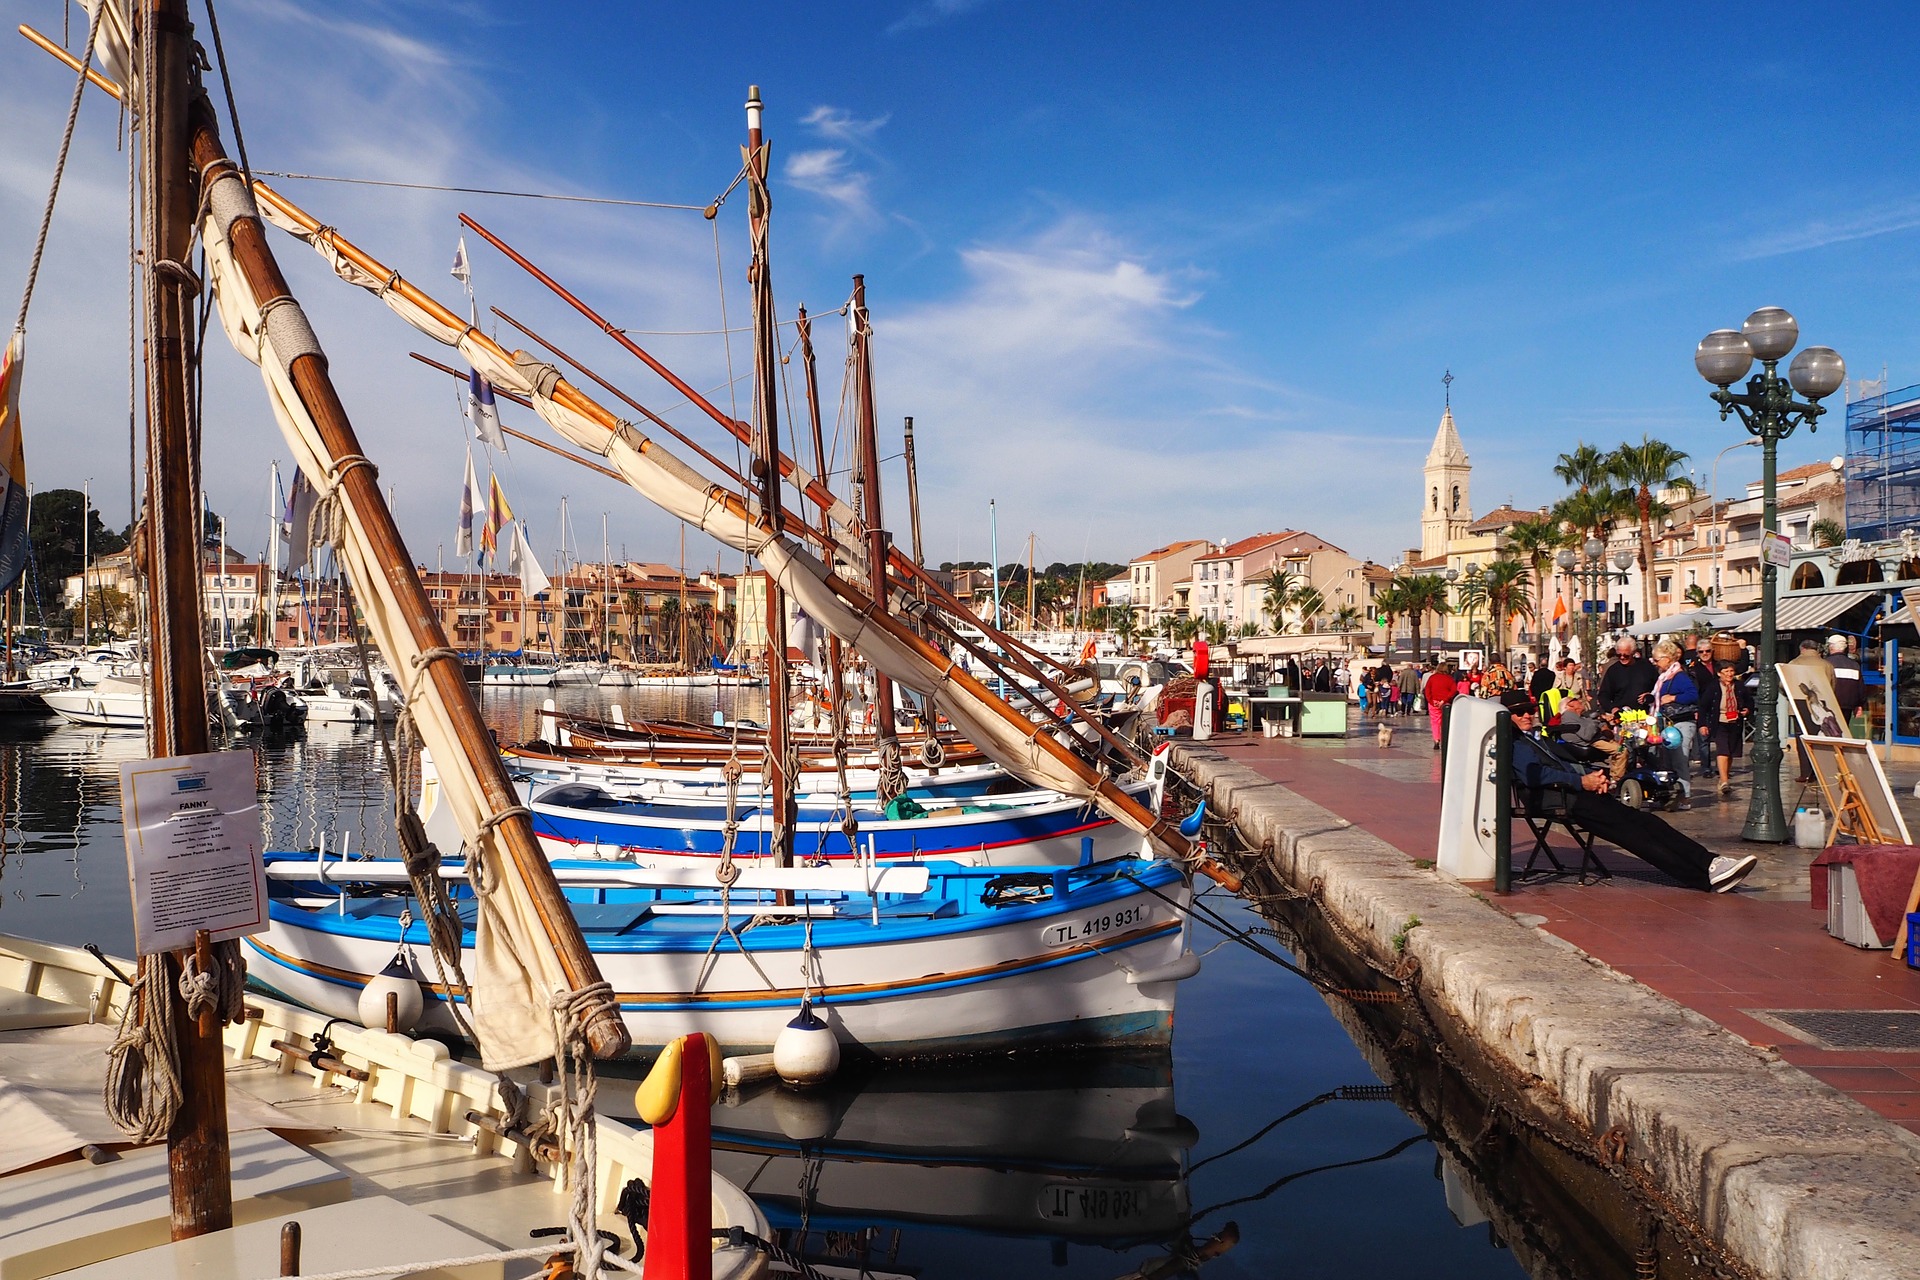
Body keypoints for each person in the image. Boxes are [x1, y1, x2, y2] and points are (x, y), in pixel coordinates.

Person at [1500, 690, 1757, 892]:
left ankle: (1708, 867)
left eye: (1529, 710)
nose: (1526, 715)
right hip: (1561, 798)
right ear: (1506, 717)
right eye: (1519, 712)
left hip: (1572, 793)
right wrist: (1582, 782)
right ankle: (1705, 871)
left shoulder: (1532, 737)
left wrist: (1594, 778)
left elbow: (1562, 764)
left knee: (1643, 822)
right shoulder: (1516, 741)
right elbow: (1533, 775)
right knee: (1634, 833)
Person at [1699, 660, 1752, 796]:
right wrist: (1703, 724)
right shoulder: (1713, 687)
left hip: (1735, 721)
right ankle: (1724, 781)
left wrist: (1747, 710)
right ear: (1719, 674)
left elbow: (1749, 702)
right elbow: (1703, 707)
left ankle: (1725, 776)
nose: (1730, 674)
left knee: (1731, 752)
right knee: (1723, 750)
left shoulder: (1739, 686)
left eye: (1731, 671)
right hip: (1719, 722)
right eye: (1726, 671)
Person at [1649, 639, 1700, 776]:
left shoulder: (1679, 675)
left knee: (1680, 761)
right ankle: (1676, 790)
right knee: (1669, 761)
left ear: (1667, 659)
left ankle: (1686, 794)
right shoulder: (1664, 677)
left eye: (1657, 659)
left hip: (1681, 722)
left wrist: (1672, 698)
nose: (1655, 663)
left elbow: (1693, 694)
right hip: (1669, 722)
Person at [1596, 636, 1656, 714]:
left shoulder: (1646, 666)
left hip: (1645, 713)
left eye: (1626, 655)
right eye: (1619, 655)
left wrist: (1650, 694)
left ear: (1633, 652)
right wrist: (1613, 709)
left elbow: (1658, 686)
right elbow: (1603, 695)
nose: (1622, 657)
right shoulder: (1613, 670)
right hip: (1622, 715)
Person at [1827, 635, 1864, 728]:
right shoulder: (1854, 665)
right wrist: (1859, 705)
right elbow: (1860, 687)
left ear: (1831, 647)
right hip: (1848, 706)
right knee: (1843, 730)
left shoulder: (1826, 664)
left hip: (1829, 704)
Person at [1423, 660, 1457, 750]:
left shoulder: (1432, 678)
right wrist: (1444, 700)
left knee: (1435, 722)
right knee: (1445, 722)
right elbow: (1454, 690)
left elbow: (1427, 690)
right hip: (1445, 704)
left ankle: (1436, 740)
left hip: (1433, 703)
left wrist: (1431, 701)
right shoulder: (1449, 679)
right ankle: (1445, 740)